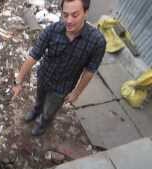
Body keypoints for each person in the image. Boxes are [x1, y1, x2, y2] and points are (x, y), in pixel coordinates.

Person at [12, 0, 106, 136]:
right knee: (39, 99)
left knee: (49, 110)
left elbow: (90, 70)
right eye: (65, 14)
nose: (68, 20)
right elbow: (34, 55)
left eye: (75, 15)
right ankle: (35, 112)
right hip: (44, 77)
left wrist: (76, 93)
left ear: (85, 13)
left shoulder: (97, 42)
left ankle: (43, 124)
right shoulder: (52, 30)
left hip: (62, 87)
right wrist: (19, 80)